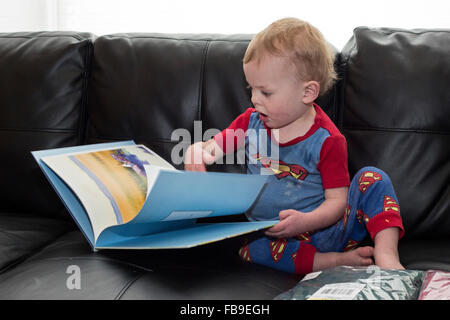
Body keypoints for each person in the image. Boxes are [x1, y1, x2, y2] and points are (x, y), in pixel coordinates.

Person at [184, 17, 405, 274]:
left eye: (265, 92)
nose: (254, 99)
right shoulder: (250, 123)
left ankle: (387, 255)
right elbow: (213, 147)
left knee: (374, 178)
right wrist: (197, 150)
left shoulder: (327, 140)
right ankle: (331, 262)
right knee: (249, 250)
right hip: (273, 235)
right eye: (251, 88)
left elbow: (337, 202)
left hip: (328, 230)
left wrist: (307, 221)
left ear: (307, 92)